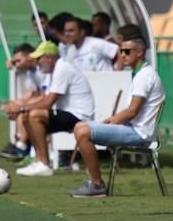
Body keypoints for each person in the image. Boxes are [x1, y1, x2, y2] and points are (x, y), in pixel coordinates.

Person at [71, 37, 165, 197]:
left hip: (140, 134)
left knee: (83, 131)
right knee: (80, 127)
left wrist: (111, 122)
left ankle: (96, 185)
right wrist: (111, 120)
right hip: (133, 129)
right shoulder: (140, 74)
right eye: (121, 51)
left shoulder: (144, 76)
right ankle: (94, 182)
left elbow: (132, 111)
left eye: (127, 51)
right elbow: (131, 111)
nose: (122, 55)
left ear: (140, 53)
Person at [3, 41, 95, 177]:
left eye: (39, 58)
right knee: (28, 115)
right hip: (69, 114)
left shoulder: (62, 68)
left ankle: (44, 164)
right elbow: (44, 98)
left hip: (80, 116)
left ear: (49, 57)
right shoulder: (54, 70)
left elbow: (48, 102)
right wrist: (21, 108)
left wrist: (20, 108)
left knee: (34, 115)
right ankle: (40, 161)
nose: (37, 61)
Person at [0, 43, 46, 160]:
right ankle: (22, 143)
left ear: (30, 56)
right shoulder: (30, 72)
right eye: (14, 61)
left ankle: (22, 147)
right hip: (42, 103)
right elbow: (32, 92)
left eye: (18, 60)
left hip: (50, 105)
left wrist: (22, 105)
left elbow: (44, 95)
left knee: (22, 114)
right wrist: (15, 104)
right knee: (18, 110)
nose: (16, 63)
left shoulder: (42, 71)